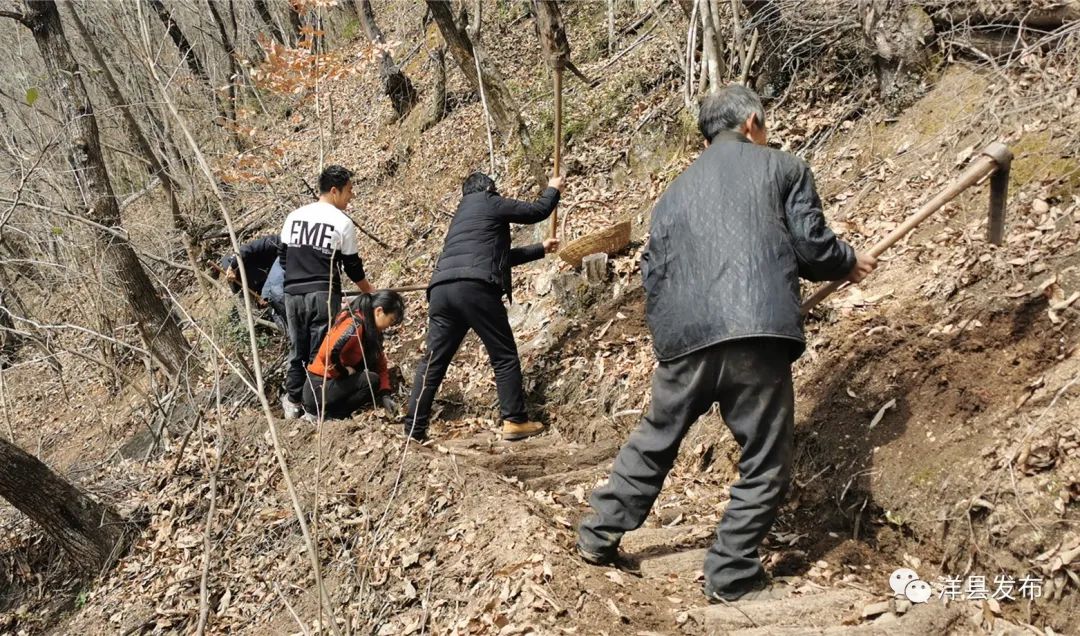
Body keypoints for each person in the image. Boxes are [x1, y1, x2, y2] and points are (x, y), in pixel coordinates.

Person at [575, 86, 878, 603]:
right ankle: (731, 572)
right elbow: (810, 244)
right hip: (755, 332)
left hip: (684, 340)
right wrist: (846, 261)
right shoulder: (784, 168)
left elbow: (653, 273)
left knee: (656, 437)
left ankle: (598, 531)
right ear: (753, 122)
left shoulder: (671, 195)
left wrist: (670, 335)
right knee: (765, 454)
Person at [404, 172, 564, 442]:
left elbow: (492, 257)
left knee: (432, 364)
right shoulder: (490, 201)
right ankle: (514, 421)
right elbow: (538, 211)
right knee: (503, 356)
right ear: (489, 188)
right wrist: (553, 189)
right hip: (475, 289)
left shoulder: (461, 216)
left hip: (442, 289)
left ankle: (413, 430)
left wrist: (540, 248)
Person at [278, 165, 376, 420]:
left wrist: (297, 279)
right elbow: (353, 266)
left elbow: (283, 257)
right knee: (319, 349)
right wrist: (369, 291)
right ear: (334, 191)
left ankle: (292, 400)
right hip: (323, 292)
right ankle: (313, 407)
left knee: (296, 346)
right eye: (349, 191)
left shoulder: (294, 216)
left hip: (292, 293)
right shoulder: (342, 222)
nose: (351, 196)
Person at [303, 291, 405, 421]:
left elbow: (380, 364)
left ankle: (335, 414)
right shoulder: (353, 324)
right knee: (371, 380)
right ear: (379, 311)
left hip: (333, 386)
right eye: (390, 320)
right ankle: (334, 416)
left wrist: (385, 394)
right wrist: (343, 372)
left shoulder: (372, 333)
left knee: (373, 377)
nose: (389, 326)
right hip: (318, 389)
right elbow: (328, 354)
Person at [219, 234, 286, 329]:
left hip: (265, 275)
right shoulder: (235, 280)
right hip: (248, 279)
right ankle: (256, 330)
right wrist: (260, 299)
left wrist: (265, 296)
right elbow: (243, 251)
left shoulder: (277, 252)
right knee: (249, 314)